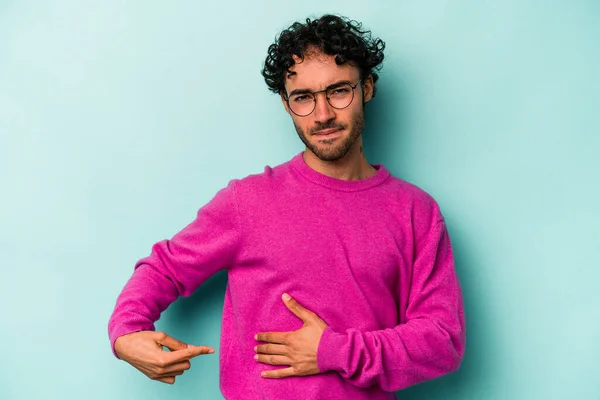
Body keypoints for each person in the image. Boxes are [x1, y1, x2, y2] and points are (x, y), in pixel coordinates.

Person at [108, 14, 466, 400]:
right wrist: (126, 333)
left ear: (367, 88)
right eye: (304, 98)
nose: (323, 114)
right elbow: (164, 268)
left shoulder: (416, 212)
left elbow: (442, 341)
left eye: (339, 91)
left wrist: (333, 351)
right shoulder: (247, 202)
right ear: (286, 103)